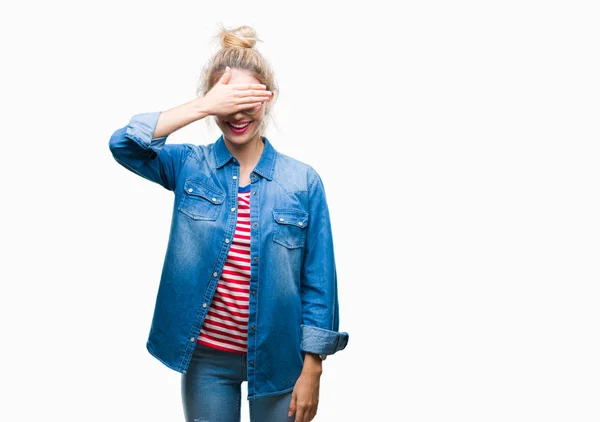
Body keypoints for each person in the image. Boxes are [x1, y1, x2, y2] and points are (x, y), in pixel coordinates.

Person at [108, 25, 349, 422]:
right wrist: (202, 106)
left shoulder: (302, 182)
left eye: (248, 101)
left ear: (268, 99)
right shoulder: (189, 165)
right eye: (226, 103)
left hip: (279, 359)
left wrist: (314, 367)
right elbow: (124, 145)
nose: (237, 114)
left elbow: (318, 281)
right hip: (206, 360)